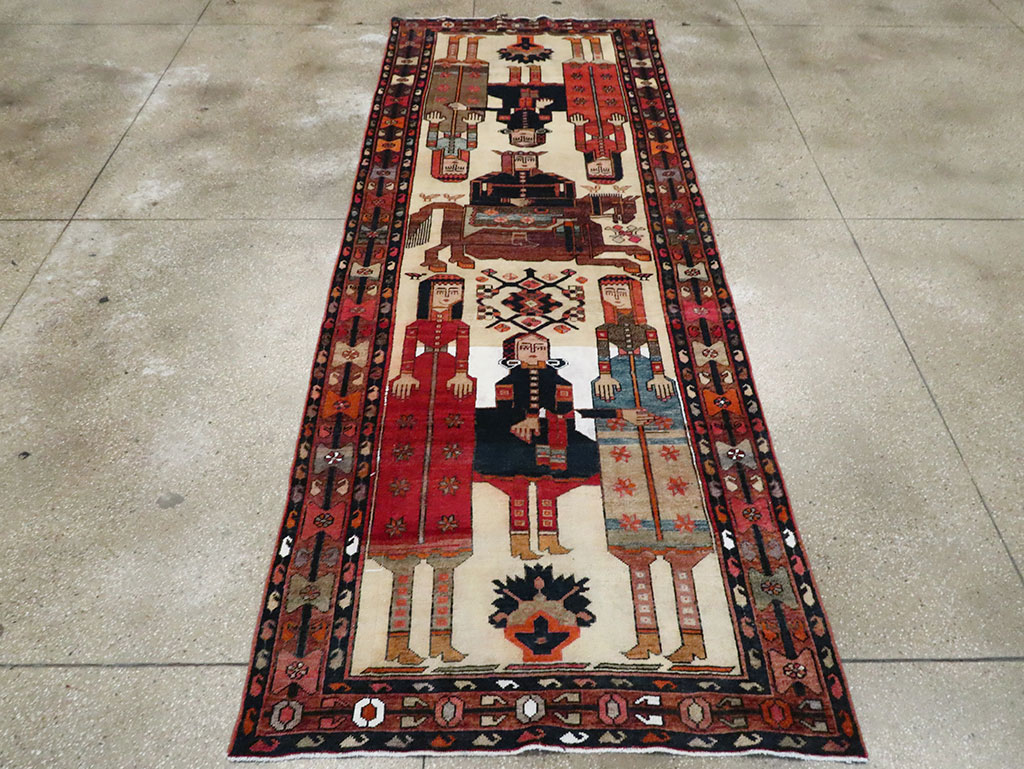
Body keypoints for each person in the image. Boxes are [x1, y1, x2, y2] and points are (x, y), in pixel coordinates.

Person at [591, 275, 714, 662]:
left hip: (664, 445)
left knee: (683, 549)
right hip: (624, 454)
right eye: (609, 292)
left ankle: (693, 638)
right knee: (634, 546)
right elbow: (598, 392)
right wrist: (610, 388)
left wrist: (658, 375)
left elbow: (658, 360)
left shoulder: (651, 346)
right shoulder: (604, 346)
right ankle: (648, 637)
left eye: (620, 291)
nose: (615, 297)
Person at [369, 275, 476, 664]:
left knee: (447, 540)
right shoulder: (414, 327)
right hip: (414, 389)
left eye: (454, 292)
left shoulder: (460, 328)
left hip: (450, 386)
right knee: (401, 539)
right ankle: (397, 644)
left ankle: (440, 640)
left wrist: (461, 373)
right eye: (442, 291)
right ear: (429, 294)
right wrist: (406, 374)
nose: (448, 297)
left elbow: (463, 356)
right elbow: (405, 353)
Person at [474, 332, 649, 559]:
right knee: (519, 486)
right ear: (514, 353)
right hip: (515, 440)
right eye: (525, 347)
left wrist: (619, 413)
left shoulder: (561, 383)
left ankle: (549, 539)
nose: (533, 351)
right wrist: (523, 419)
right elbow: (503, 415)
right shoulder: (506, 383)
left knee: (549, 485)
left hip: (555, 439)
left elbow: (569, 415)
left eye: (540, 347)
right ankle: (520, 543)